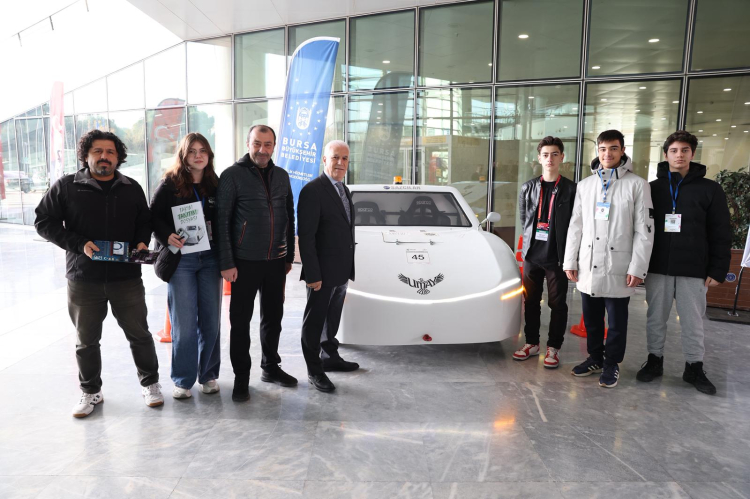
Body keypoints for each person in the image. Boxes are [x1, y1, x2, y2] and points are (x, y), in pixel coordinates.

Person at [35, 129, 163, 417]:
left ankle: (150, 384)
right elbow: (44, 221)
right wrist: (79, 244)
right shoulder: (67, 186)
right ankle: (90, 391)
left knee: (140, 335)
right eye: (98, 151)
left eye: (110, 152)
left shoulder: (131, 187)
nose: (104, 156)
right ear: (86, 155)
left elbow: (144, 221)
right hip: (83, 279)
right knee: (86, 341)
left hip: (126, 278)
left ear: (118, 157)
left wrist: (142, 241)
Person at [636, 131, 731, 395]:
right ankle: (654, 360)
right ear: (665, 154)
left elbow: (721, 231)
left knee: (693, 321)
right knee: (655, 318)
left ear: (693, 153)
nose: (679, 155)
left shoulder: (710, 189)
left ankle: (694, 367)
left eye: (685, 150)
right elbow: (640, 230)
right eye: (674, 150)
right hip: (658, 267)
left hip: (694, 268)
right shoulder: (651, 189)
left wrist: (718, 269)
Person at [563, 129, 654, 388]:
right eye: (602, 149)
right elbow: (575, 226)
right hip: (588, 263)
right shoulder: (585, 185)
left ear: (622, 150)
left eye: (613, 148)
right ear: (597, 151)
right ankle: (595, 358)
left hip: (619, 265)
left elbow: (645, 230)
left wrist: (638, 267)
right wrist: (570, 260)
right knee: (591, 319)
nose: (607, 153)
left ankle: (611, 362)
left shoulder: (637, 185)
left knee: (616, 322)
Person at [216, 125, 296, 402]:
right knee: (240, 322)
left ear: (274, 146)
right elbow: (222, 222)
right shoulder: (232, 175)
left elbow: (289, 216)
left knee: (273, 318)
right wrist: (227, 262)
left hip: (275, 261)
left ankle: (270, 367)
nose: (262, 150)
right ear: (248, 143)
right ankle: (241, 377)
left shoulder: (282, 176)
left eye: (268, 144)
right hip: (243, 262)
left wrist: (288, 255)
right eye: (257, 143)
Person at [150, 133, 222, 399]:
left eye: (203, 151)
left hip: (211, 259)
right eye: (192, 151)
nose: (198, 155)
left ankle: (208, 374)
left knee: (211, 321)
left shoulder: (215, 183)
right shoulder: (170, 183)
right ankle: (183, 379)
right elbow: (152, 217)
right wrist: (166, 235)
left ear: (209, 155)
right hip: (182, 260)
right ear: (183, 155)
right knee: (184, 323)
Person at [298, 140, 358, 393]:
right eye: (335, 157)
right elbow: (307, 237)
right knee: (314, 322)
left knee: (331, 318)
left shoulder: (344, 189)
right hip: (321, 272)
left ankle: (330, 357)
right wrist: (313, 274)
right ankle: (314, 371)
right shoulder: (313, 191)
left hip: (341, 270)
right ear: (325, 160)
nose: (340, 163)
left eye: (345, 158)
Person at [513, 137, 576, 368]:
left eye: (555, 154)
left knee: (557, 304)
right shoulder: (527, 187)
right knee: (530, 302)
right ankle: (531, 343)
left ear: (562, 157)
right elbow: (525, 220)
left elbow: (575, 225)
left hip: (557, 257)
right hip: (532, 256)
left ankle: (553, 347)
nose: (550, 159)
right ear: (539, 158)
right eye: (546, 155)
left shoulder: (571, 189)